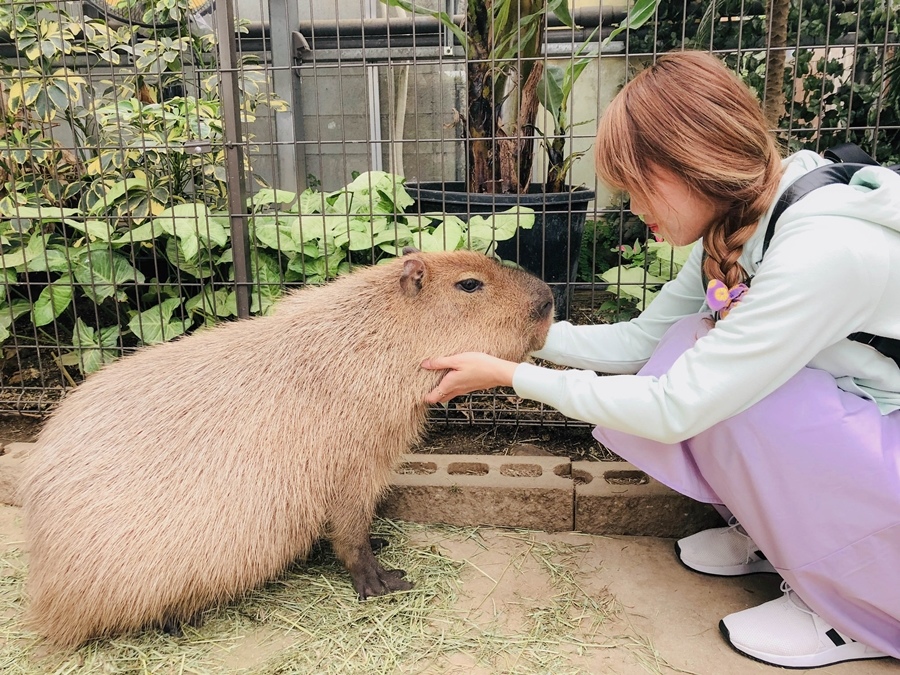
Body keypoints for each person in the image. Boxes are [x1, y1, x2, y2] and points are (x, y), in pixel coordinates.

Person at [421, 50, 900, 669]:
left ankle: (855, 604)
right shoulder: (741, 220)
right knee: (686, 343)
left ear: (692, 164)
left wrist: (511, 375)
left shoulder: (823, 249)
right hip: (865, 420)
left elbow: (677, 407)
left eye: (638, 187)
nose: (631, 207)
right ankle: (778, 538)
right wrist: (516, 337)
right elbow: (642, 343)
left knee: (748, 399)